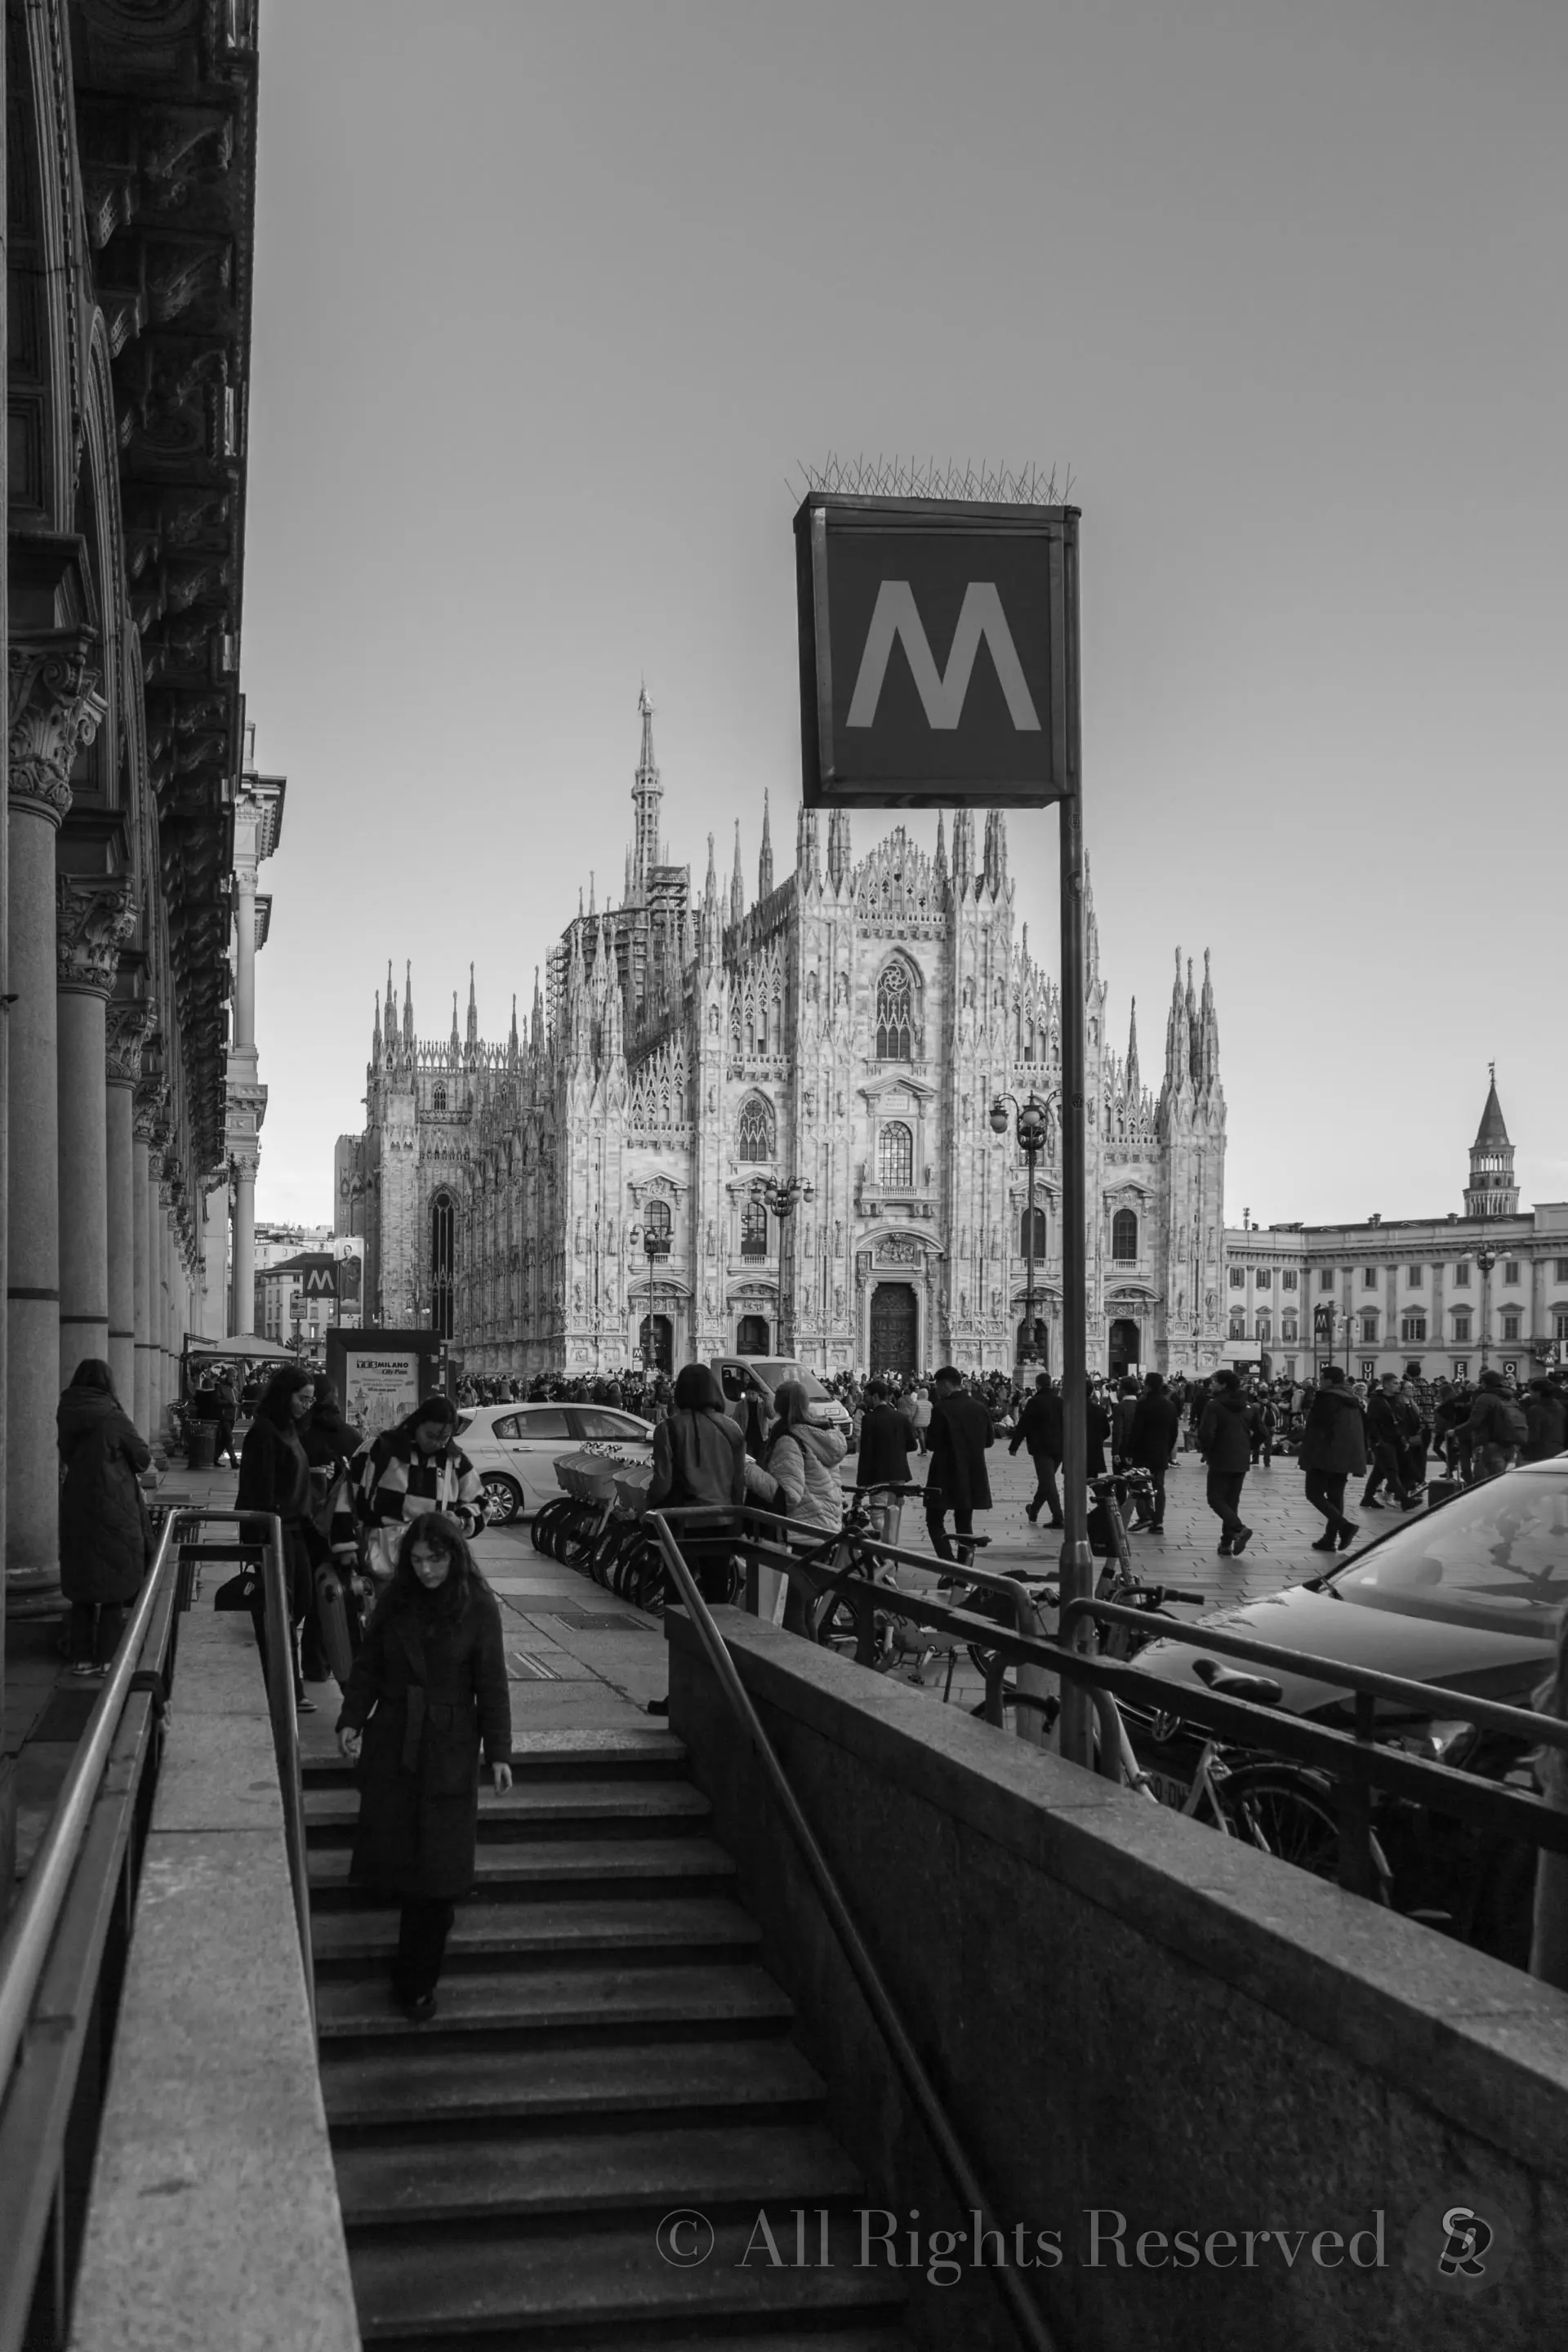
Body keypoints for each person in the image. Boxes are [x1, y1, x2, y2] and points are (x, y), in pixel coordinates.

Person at [335, 1515, 512, 2023]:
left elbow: (491, 1682)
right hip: (395, 1739)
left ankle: (416, 1982)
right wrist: (352, 1718)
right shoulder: (396, 1600)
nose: (427, 1569)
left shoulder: (477, 1605)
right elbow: (369, 1664)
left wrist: (498, 1751)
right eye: (417, 1560)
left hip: (450, 1746)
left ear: (454, 1556)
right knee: (403, 1854)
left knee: (437, 1868)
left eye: (436, 1559)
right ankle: (413, 1942)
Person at [237, 1364, 327, 1711]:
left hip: (296, 1528)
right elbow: (258, 1488)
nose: (308, 1405)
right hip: (275, 1529)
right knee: (283, 1607)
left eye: (311, 1399)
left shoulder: (290, 1428)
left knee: (302, 1598)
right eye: (303, 1398)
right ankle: (290, 1687)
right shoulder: (264, 1432)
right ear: (285, 1396)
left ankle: (282, 1675)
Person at [57, 1359, 153, 1677]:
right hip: (114, 1506)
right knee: (115, 1582)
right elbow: (142, 1458)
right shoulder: (112, 1415)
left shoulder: (66, 1412)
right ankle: (109, 1659)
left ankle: (81, 1658)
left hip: (77, 1502)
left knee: (83, 1580)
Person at [333, 1395, 485, 1584]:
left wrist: (461, 1521)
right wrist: (346, 1546)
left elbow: (481, 1502)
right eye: (430, 1436)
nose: (437, 1444)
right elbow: (347, 1497)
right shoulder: (377, 1450)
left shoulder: (455, 1462)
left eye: (444, 1438)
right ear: (417, 1423)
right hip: (381, 1564)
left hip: (432, 1569)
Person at [924, 1365, 994, 1565]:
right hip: (971, 1473)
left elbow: (932, 1443)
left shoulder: (941, 1408)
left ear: (945, 1384)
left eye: (937, 1385)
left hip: (944, 1473)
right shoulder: (979, 1407)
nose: (936, 1390)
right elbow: (989, 1441)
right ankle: (964, 1569)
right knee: (965, 1524)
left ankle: (949, 1563)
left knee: (934, 1520)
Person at [762, 1381, 849, 1536]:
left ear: (778, 1405)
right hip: (829, 1523)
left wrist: (751, 1473)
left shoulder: (788, 1439)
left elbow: (790, 1496)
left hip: (804, 1528)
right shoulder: (822, 1431)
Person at [1296, 1364, 1366, 1552]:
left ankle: (1344, 1526)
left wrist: (1308, 1455)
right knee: (1336, 1495)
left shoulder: (1326, 1398)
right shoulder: (1352, 1398)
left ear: (1329, 1380)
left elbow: (1318, 1428)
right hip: (1346, 1454)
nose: (1319, 1382)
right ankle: (1329, 1539)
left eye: (1321, 1378)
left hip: (1325, 1453)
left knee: (1313, 1493)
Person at [1196, 1368, 1254, 1556]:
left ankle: (1239, 1529)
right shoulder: (1247, 1405)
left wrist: (1207, 1449)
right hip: (1241, 1459)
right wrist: (1248, 1447)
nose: (1212, 1385)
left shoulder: (1214, 1405)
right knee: (1231, 1502)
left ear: (1224, 1384)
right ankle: (1226, 1544)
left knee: (1214, 1498)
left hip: (1221, 1458)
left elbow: (1206, 1433)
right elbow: (1261, 1431)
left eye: (1215, 1382)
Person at [1125, 1372, 1181, 1532]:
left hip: (1142, 1451)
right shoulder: (1169, 1406)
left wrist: (1129, 1451)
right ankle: (1159, 1521)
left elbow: (1136, 1430)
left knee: (1137, 1483)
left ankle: (1146, 1516)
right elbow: (1174, 1432)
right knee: (1159, 1486)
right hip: (1161, 1451)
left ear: (1147, 1385)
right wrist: (1168, 1450)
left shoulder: (1143, 1405)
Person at [1008, 1373, 1064, 1529]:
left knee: (1048, 1482)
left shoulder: (1035, 1402)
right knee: (1047, 1482)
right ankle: (1034, 1509)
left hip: (1041, 1448)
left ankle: (1058, 1517)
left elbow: (1024, 1424)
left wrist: (1014, 1445)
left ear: (1038, 1385)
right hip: (1059, 1448)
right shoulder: (1060, 1402)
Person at [1453, 1369, 1528, 1481]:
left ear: (1484, 1383)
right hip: (1510, 1443)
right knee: (1497, 1479)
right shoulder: (1511, 1397)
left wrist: (1455, 1431)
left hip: (1491, 1443)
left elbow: (1474, 1421)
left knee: (1487, 1481)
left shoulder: (1486, 1397)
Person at [1362, 1373, 1420, 1511]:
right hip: (1383, 1440)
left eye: (1398, 1383)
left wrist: (1408, 1405)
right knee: (1391, 1470)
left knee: (1379, 1471)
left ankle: (1367, 1498)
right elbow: (1371, 1422)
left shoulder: (1398, 1400)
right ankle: (1404, 1499)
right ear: (1386, 1385)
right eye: (1395, 1383)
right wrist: (1376, 1441)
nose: (1398, 1386)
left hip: (1396, 1439)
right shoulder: (1377, 1401)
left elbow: (1407, 1422)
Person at [1523, 1378, 1568, 1463]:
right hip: (1558, 1451)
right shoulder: (1560, 1408)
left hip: (1537, 1454)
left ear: (1538, 1393)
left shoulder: (1535, 1410)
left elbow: (1532, 1435)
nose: (1530, 1395)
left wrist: (1524, 1450)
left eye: (1531, 1392)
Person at [212, 1367, 238, 1468]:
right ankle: (233, 1460)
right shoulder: (220, 1386)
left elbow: (237, 1397)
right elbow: (217, 1401)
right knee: (228, 1438)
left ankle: (214, 1458)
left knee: (223, 1439)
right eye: (233, 1376)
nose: (234, 1379)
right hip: (224, 1416)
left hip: (232, 1416)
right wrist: (230, 1403)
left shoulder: (233, 1387)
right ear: (228, 1376)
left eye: (235, 1377)